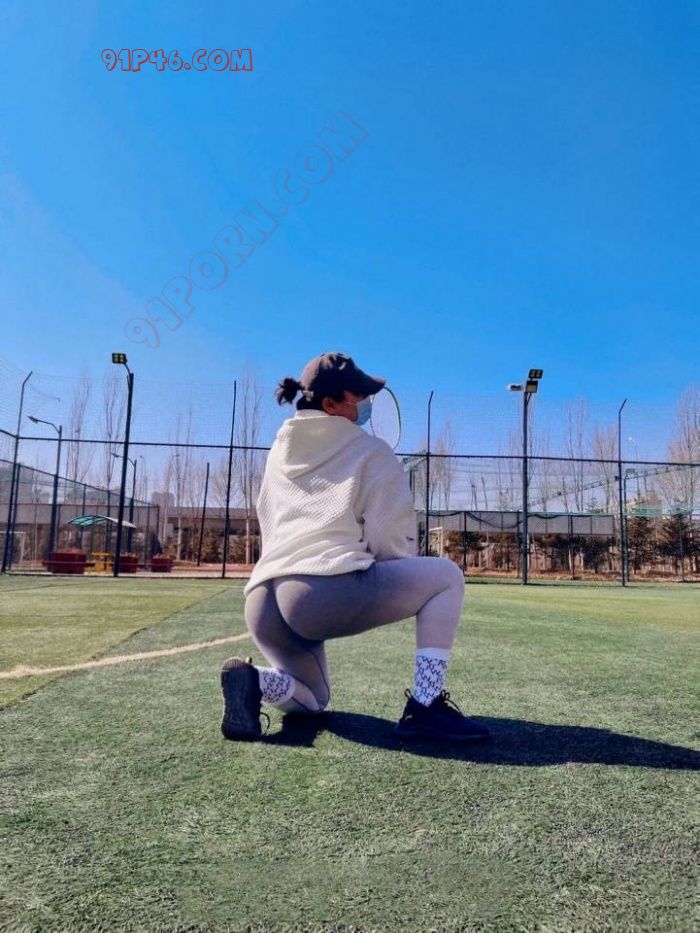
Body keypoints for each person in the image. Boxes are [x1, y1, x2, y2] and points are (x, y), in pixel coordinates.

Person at [220, 351, 490, 744]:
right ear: (331, 405)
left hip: (262, 602)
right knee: (446, 578)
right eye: (358, 396)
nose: (365, 403)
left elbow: (268, 515)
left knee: (314, 700)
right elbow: (391, 542)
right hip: (319, 594)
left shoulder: (279, 450)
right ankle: (426, 707)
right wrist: (384, 572)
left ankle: (255, 680)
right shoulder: (371, 450)